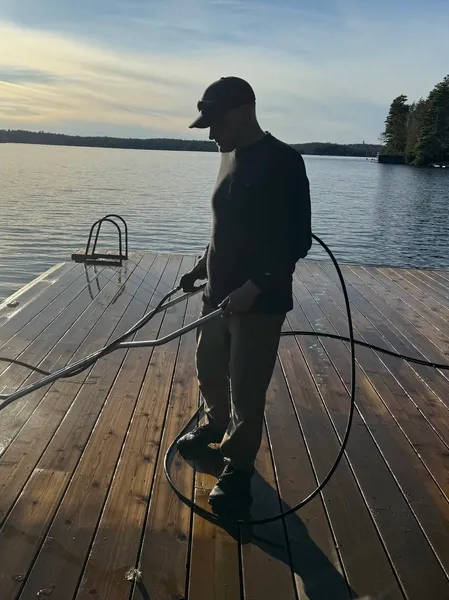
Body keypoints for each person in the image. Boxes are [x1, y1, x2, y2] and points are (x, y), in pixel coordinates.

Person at [177, 76, 312, 512]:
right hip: (216, 296)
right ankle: (214, 424)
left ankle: (237, 466)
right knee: (210, 368)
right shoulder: (228, 154)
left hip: (259, 302)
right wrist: (202, 265)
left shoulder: (284, 162)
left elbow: (297, 242)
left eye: (215, 124)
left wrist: (254, 287)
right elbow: (225, 225)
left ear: (241, 111)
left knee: (246, 388)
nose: (211, 134)